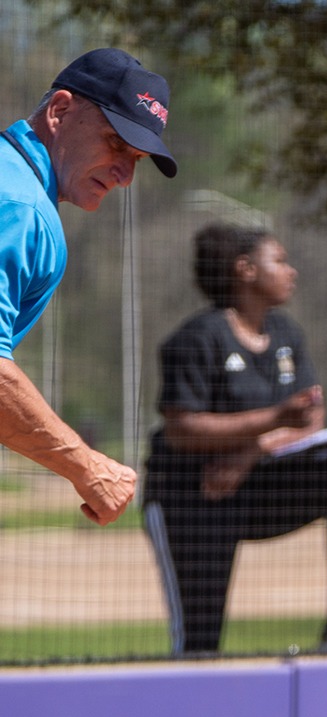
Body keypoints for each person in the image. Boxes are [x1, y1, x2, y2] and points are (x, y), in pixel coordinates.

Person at [143, 222, 327, 654]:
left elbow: (309, 418)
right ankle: (192, 703)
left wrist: (253, 451)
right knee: (199, 643)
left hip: (261, 485)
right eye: (280, 261)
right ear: (245, 269)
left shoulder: (286, 333)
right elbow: (183, 428)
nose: (292, 271)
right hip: (195, 497)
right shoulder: (196, 339)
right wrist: (274, 418)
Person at [1, 49, 172, 528]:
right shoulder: (19, 205)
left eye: (136, 158)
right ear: (59, 111)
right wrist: (86, 466)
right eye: (115, 144)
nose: (126, 175)